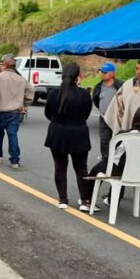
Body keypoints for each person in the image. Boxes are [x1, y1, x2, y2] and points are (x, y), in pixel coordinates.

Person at [79, 106, 140, 212]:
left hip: (116, 168)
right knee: (121, 169)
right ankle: (113, 200)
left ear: (136, 119)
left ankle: (87, 201)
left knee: (96, 171)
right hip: (138, 172)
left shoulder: (125, 134)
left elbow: (113, 150)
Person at [44, 63, 93, 208]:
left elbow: (48, 113)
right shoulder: (84, 94)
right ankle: (85, 200)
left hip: (58, 132)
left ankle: (63, 199)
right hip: (79, 132)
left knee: (60, 167)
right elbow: (87, 114)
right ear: (78, 77)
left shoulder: (53, 94)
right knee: (81, 168)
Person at [0, 54, 33, 169]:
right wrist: (24, 104)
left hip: (0, 110)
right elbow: (31, 90)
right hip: (15, 112)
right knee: (13, 135)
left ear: (5, 65)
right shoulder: (21, 78)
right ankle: (15, 160)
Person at [104, 57, 140, 135]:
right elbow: (117, 104)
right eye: (136, 68)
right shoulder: (128, 84)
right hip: (126, 126)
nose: (138, 72)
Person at [91, 62, 123, 162]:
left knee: (118, 139)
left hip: (117, 118)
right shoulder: (98, 87)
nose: (102, 74)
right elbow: (96, 101)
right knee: (104, 140)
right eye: (102, 72)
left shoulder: (121, 85)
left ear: (112, 74)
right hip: (104, 117)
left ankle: (117, 161)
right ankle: (105, 160)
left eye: (105, 72)